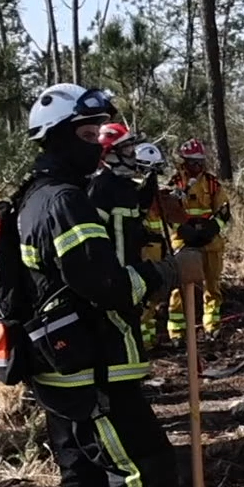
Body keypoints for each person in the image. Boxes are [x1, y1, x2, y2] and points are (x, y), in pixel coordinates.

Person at [19, 83, 204, 487]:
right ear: (53, 138)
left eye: (100, 132)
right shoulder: (64, 201)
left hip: (60, 365)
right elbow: (107, 284)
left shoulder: (34, 195)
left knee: (86, 475)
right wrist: (171, 272)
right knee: (145, 468)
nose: (97, 144)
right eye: (84, 133)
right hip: (90, 367)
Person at [88, 122, 170, 349]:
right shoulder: (101, 187)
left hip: (132, 277)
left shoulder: (125, 187)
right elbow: (94, 239)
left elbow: (132, 222)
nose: (133, 155)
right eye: (127, 150)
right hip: (113, 282)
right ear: (110, 154)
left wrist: (148, 190)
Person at [167, 139, 231, 337]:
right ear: (184, 162)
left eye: (200, 162)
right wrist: (184, 230)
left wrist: (211, 229)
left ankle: (212, 326)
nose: (197, 166)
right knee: (178, 287)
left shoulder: (212, 184)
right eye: (193, 162)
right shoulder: (175, 183)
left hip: (210, 242)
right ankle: (177, 331)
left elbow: (224, 211)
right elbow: (167, 210)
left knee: (212, 285)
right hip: (183, 241)